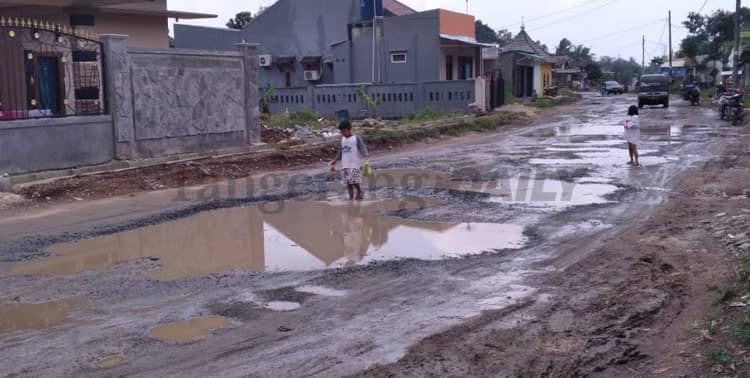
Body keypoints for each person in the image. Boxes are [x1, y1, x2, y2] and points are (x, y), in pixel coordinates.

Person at [330, 120, 369, 200]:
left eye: (344, 131)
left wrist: (365, 156)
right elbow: (340, 151)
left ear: (349, 129)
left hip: (354, 163)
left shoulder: (356, 138)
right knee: (348, 182)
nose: (343, 133)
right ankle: (351, 198)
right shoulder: (343, 140)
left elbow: (362, 147)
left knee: (353, 180)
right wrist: (335, 160)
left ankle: (359, 191)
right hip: (345, 163)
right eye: (341, 132)